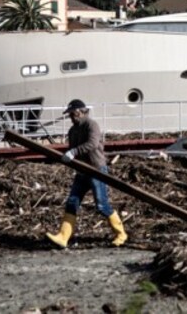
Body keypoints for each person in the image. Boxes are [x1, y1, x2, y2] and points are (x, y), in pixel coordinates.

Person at [46, 99, 127, 248]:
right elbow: (72, 150)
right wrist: (69, 157)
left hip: (96, 170)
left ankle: (121, 234)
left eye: (73, 114)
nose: (71, 117)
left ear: (81, 112)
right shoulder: (72, 131)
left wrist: (74, 152)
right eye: (70, 115)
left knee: (101, 205)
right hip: (82, 171)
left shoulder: (92, 125)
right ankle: (63, 237)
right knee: (72, 202)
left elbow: (93, 144)